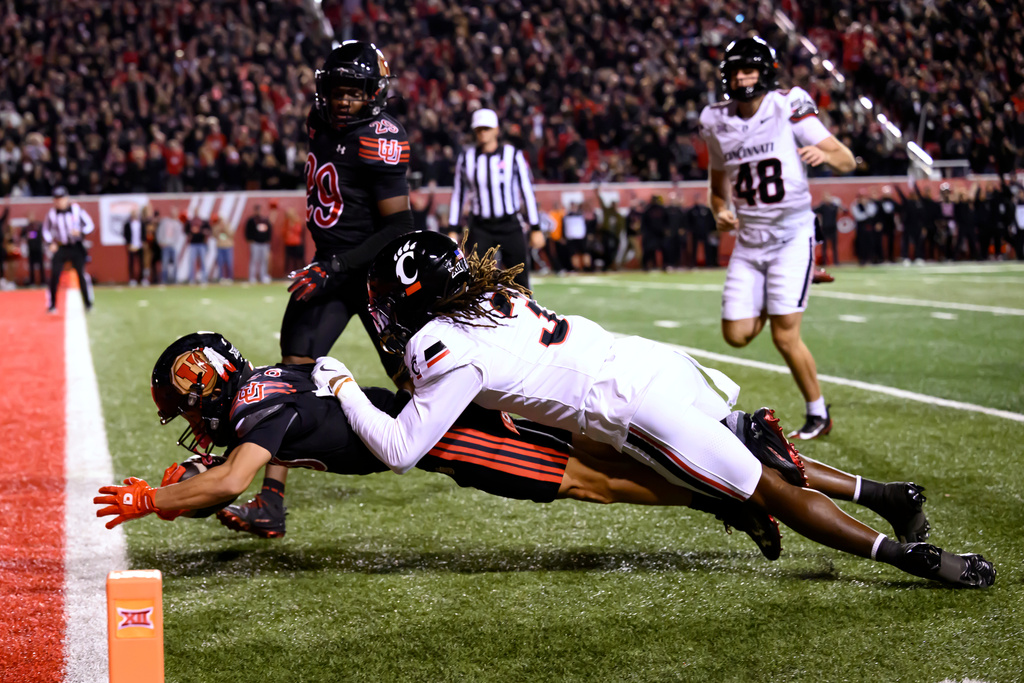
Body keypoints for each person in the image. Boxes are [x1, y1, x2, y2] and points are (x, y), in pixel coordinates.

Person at [311, 231, 992, 588]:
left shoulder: (439, 341)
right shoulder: (492, 294)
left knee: (768, 489)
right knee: (748, 454)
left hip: (628, 405)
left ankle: (907, 557)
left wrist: (340, 380)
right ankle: (887, 493)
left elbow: (401, 447)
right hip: (649, 360)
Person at [95, 332, 931, 566]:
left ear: (206, 387)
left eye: (184, 400)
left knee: (594, 484)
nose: (187, 415)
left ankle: (732, 489)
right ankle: (734, 476)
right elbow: (261, 448)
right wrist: (238, 486)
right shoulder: (264, 387)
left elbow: (238, 472)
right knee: (603, 466)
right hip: (448, 419)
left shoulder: (250, 414)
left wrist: (153, 499)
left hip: (449, 440)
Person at [225, 41, 416, 536]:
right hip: (329, 272)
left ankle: (495, 438)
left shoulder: (381, 137)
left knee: (416, 379)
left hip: (376, 278)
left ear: (374, 95)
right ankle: (271, 502)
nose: (343, 101)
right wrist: (329, 267)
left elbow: (399, 226)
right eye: (336, 91)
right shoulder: (318, 124)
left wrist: (336, 265)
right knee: (287, 379)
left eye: (355, 93)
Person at [698, 37, 856, 440]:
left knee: (785, 336)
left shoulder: (788, 105)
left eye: (749, 68)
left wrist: (824, 156)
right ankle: (784, 287)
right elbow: (718, 189)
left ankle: (818, 413)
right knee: (736, 336)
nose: (742, 76)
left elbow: (845, 158)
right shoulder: (715, 120)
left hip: (791, 234)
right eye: (736, 69)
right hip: (750, 241)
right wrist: (720, 211)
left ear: (764, 71)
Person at [448, 108, 545, 289]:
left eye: (487, 128)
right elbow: (458, 195)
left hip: (510, 224)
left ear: (496, 130)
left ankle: (526, 316)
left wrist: (536, 226)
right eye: (479, 129)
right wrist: (453, 228)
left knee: (520, 279)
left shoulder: (513, 155)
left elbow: (527, 191)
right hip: (480, 225)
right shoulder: (467, 158)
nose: (483, 133)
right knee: (478, 281)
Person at [42, 186, 95, 313]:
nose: (59, 201)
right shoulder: (52, 213)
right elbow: (45, 231)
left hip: (76, 246)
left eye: (61, 198)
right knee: (54, 275)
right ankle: (52, 305)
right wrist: (50, 243)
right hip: (60, 246)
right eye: (56, 199)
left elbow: (90, 224)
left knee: (81, 275)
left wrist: (81, 232)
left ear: (67, 198)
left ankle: (88, 304)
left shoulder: (77, 210)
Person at [244, 204, 272, 284]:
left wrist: (268, 240)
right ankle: (252, 277)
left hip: (264, 243)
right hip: (255, 243)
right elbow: (247, 230)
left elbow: (269, 230)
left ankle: (263, 276)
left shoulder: (265, 220)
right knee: (254, 260)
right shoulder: (251, 220)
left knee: (264, 260)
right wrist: (249, 239)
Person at [157, 209, 184, 284]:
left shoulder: (178, 223)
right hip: (165, 245)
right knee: (164, 264)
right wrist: (160, 241)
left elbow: (178, 236)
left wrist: (174, 243)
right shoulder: (165, 221)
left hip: (173, 246)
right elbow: (160, 231)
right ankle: (164, 280)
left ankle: (174, 280)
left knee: (175, 263)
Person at [185, 215, 212, 285]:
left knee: (202, 261)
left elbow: (209, 231)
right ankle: (191, 279)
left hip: (201, 244)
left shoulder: (204, 223)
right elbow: (186, 230)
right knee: (191, 262)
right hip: (193, 244)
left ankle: (204, 279)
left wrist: (205, 232)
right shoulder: (190, 222)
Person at [211, 213, 235, 283]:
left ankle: (230, 278)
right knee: (220, 263)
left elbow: (231, 234)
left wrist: (224, 228)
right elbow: (214, 235)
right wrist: (219, 229)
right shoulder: (216, 227)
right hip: (220, 246)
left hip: (228, 246)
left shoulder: (228, 225)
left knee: (229, 263)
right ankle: (221, 278)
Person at [123, 209, 144, 285]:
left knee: (141, 263)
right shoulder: (127, 224)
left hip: (140, 245)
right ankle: (132, 279)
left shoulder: (141, 223)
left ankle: (141, 279)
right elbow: (125, 235)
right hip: (131, 246)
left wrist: (143, 242)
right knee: (131, 264)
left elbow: (143, 233)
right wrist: (128, 244)